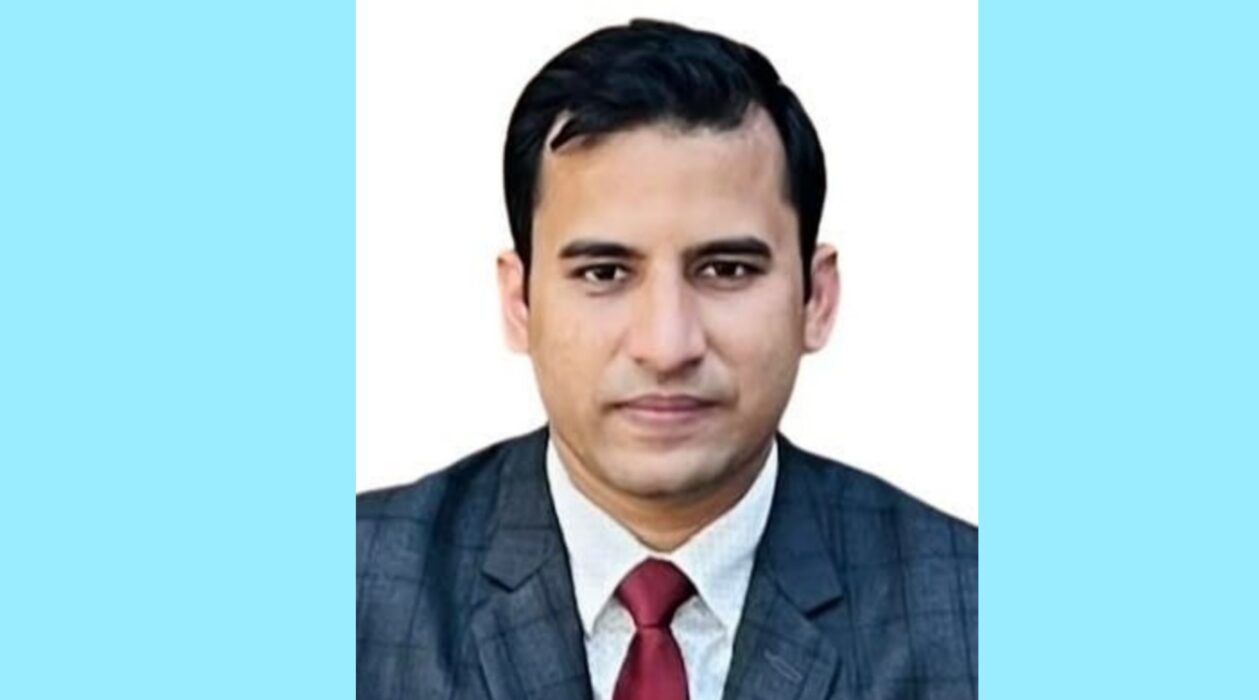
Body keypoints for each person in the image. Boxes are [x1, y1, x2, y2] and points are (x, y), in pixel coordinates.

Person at [358, 19, 976, 700]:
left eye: (727, 269)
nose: (667, 345)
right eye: (604, 273)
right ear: (519, 301)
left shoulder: (973, 610)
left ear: (816, 299)